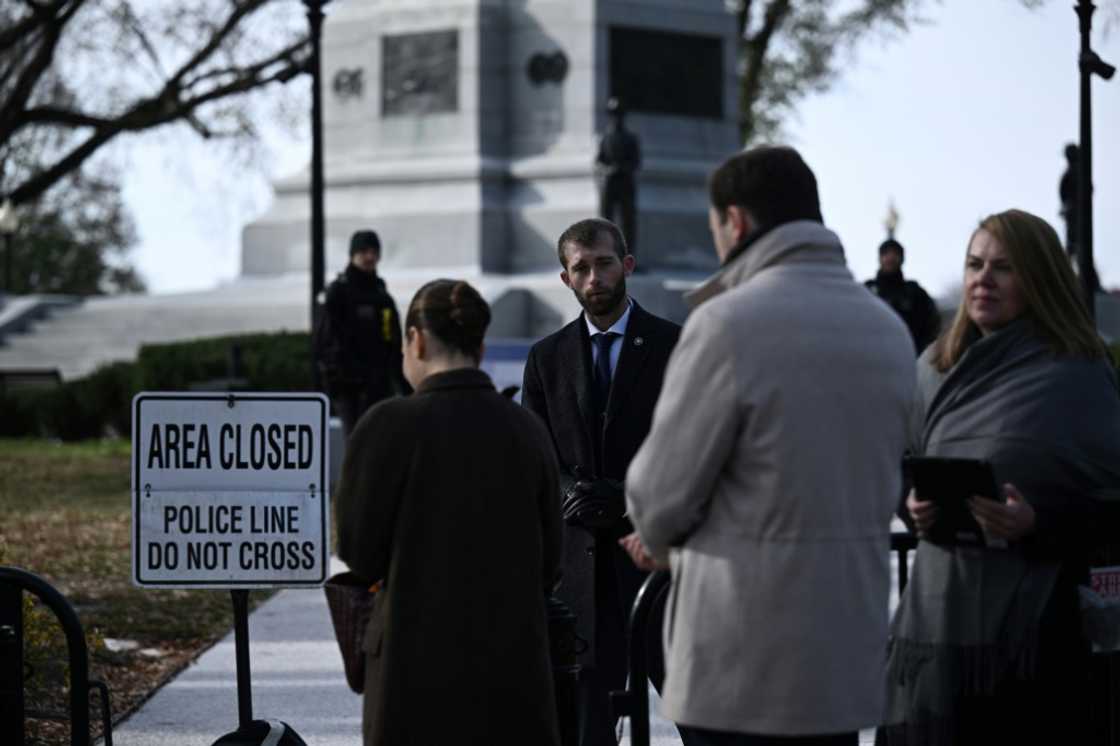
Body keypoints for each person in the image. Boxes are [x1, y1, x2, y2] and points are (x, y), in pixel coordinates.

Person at [621, 145, 916, 745]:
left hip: (743, 650)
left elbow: (658, 495)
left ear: (735, 222)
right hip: (845, 644)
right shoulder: (887, 329)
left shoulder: (727, 324)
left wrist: (659, 542)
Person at [878, 209, 1120, 746]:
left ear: (1039, 278)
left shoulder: (1076, 373)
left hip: (1036, 641)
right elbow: (898, 464)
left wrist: (1037, 521)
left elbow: (1111, 502)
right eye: (974, 264)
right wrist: (912, 504)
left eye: (1003, 268)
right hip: (935, 634)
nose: (983, 279)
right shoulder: (932, 368)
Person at [335, 279, 563, 746]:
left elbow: (359, 554)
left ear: (415, 340)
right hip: (513, 679)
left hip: (410, 677)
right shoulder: (527, 429)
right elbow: (550, 562)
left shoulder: (384, 427)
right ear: (480, 346)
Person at [521, 217, 681, 746]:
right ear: (566, 279)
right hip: (581, 572)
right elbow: (536, 455)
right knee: (589, 732)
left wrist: (628, 498)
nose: (595, 278)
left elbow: (689, 446)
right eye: (581, 268)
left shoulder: (673, 345)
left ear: (627, 265)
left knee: (702, 719)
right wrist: (573, 493)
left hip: (658, 566)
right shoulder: (546, 358)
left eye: (605, 264)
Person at [318, 229, 410, 439]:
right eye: (364, 251)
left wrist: (401, 384)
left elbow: (392, 341)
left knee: (377, 444)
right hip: (348, 388)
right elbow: (325, 341)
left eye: (374, 252)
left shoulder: (381, 295)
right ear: (353, 255)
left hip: (378, 386)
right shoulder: (337, 293)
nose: (370, 257)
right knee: (356, 442)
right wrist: (334, 380)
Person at [865, 238, 941, 354]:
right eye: (886, 253)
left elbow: (932, 325)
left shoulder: (916, 293)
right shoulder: (867, 291)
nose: (890, 258)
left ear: (902, 258)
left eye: (895, 253)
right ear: (880, 258)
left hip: (909, 356)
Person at [595, 98, 641, 257]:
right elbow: (599, 161)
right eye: (613, 114)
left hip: (625, 183)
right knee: (606, 223)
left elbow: (636, 162)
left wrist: (622, 168)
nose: (616, 117)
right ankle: (606, 255)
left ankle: (628, 257)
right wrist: (608, 169)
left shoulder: (631, 138)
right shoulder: (605, 138)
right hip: (609, 184)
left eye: (619, 114)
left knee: (628, 222)